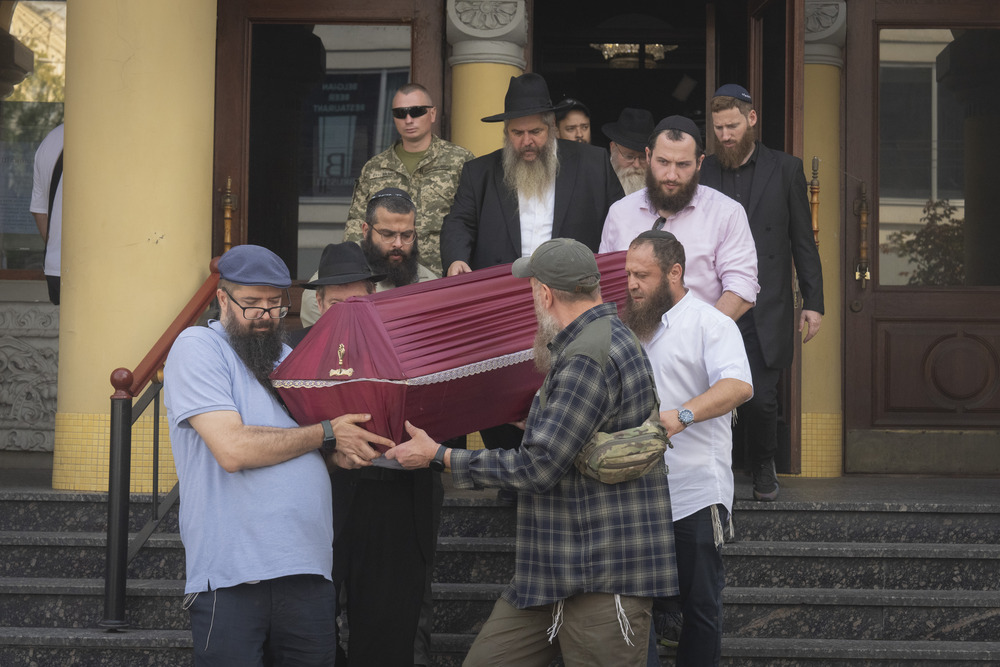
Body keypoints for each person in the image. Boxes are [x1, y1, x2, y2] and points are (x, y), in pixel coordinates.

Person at [387, 238, 679, 666]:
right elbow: (578, 431)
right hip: (552, 573)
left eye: (532, 288)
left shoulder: (586, 357)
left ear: (545, 293)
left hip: (600, 574)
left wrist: (440, 456)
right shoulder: (603, 336)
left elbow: (538, 467)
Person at [163, 244, 394, 665]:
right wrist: (326, 432)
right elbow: (233, 449)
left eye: (274, 303)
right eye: (251, 304)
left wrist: (335, 452)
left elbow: (306, 445)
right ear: (222, 299)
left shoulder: (290, 359)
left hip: (308, 571)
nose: (265, 315)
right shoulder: (198, 347)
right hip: (233, 575)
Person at [441, 73, 624, 457]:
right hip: (505, 306)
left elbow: (618, 224)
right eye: (517, 133)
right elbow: (459, 221)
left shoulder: (593, 165)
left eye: (536, 132)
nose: (527, 142)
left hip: (575, 303)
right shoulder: (481, 173)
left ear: (553, 127)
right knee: (505, 393)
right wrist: (457, 258)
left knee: (572, 386)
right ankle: (512, 477)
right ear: (507, 132)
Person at [622, 231, 752, 667]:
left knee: (700, 608)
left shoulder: (711, 323)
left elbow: (738, 385)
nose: (632, 284)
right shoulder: (628, 324)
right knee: (637, 606)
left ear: (675, 273)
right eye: (628, 274)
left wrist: (683, 415)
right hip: (636, 490)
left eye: (643, 275)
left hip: (696, 490)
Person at [700, 84, 825, 501]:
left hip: (766, 304)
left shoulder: (786, 169)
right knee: (704, 389)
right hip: (714, 304)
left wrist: (814, 303)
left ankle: (763, 463)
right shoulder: (703, 172)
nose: (725, 136)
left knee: (760, 399)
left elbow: (802, 241)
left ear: (751, 120)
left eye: (732, 126)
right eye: (718, 128)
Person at [599, 115, 759, 321]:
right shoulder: (619, 212)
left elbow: (742, 285)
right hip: (632, 346)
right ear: (648, 157)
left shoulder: (726, 213)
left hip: (699, 347)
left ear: (699, 163)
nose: (671, 175)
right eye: (663, 162)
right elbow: (606, 286)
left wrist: (702, 336)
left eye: (683, 164)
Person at [341, 82, 474, 278]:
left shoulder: (461, 161)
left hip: (442, 279)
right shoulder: (374, 168)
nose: (408, 119)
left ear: (432, 113)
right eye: (400, 113)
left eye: (416, 111)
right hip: (386, 278)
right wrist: (354, 274)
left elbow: (471, 222)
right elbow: (356, 226)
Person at [300, 187, 435, 326]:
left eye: (407, 235)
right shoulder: (326, 289)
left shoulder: (432, 285)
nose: (398, 244)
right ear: (366, 231)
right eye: (387, 235)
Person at [288, 242, 382, 347]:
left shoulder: (389, 345)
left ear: (373, 297)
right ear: (320, 302)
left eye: (355, 302)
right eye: (335, 305)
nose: (346, 315)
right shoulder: (293, 350)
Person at [30, 123, 64, 305]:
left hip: (56, 267)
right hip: (99, 267)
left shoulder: (50, 140)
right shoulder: (110, 136)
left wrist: (56, 249)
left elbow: (39, 211)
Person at [603, 108, 654, 195]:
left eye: (643, 157)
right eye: (629, 157)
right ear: (612, 148)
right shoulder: (598, 181)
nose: (637, 165)